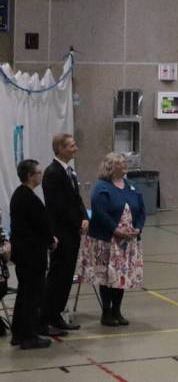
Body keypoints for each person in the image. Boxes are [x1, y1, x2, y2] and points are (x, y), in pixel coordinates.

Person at [78, 153, 146, 327]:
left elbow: (141, 210)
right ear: (111, 166)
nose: (125, 164)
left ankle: (117, 309)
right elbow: (100, 212)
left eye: (125, 162)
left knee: (121, 277)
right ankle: (106, 312)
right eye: (120, 162)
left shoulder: (131, 186)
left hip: (127, 241)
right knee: (107, 276)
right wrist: (115, 230)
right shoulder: (102, 187)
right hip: (106, 240)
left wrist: (137, 228)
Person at [41, 133, 87, 333]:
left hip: (73, 232)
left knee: (67, 275)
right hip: (62, 233)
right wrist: (77, 222)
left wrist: (85, 217)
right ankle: (47, 316)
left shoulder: (69, 171)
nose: (75, 149)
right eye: (71, 146)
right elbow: (59, 206)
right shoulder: (53, 173)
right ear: (59, 149)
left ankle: (57, 313)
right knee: (58, 276)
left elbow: (76, 200)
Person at [9, 159, 57, 349]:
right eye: (38, 172)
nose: (41, 175)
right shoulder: (27, 197)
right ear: (30, 176)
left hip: (23, 251)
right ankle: (28, 335)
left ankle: (18, 332)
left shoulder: (21, 195)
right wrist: (51, 241)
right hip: (30, 253)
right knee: (32, 295)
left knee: (24, 293)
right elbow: (40, 225)